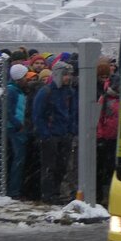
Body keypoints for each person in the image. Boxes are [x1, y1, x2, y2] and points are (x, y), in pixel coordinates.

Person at [32, 60, 79, 204]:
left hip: (64, 135)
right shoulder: (46, 92)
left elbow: (72, 113)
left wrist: (71, 131)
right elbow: (38, 115)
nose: (68, 78)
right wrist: (46, 134)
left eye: (70, 75)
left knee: (62, 167)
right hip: (51, 136)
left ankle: (57, 193)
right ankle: (48, 195)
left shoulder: (70, 93)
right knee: (49, 167)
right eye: (65, 75)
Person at [5, 63, 30, 197]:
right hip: (15, 129)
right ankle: (14, 190)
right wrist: (18, 124)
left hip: (16, 127)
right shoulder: (12, 91)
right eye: (25, 76)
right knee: (18, 159)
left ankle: (15, 188)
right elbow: (9, 112)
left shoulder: (16, 90)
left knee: (18, 159)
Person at [96, 72, 121, 203]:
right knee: (105, 168)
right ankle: (103, 196)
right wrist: (100, 137)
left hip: (118, 139)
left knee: (113, 168)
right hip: (106, 139)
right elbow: (98, 119)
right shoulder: (104, 99)